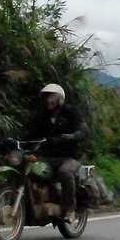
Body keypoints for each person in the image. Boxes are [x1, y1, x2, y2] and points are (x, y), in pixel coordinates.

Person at [27, 83, 88, 222]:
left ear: (60, 98)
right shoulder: (41, 116)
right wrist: (14, 141)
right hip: (47, 157)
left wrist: (72, 136)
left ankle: (70, 210)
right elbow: (30, 134)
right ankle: (37, 203)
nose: (48, 100)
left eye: (52, 96)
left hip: (69, 157)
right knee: (29, 169)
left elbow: (83, 130)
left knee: (65, 172)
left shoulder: (71, 112)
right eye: (46, 97)